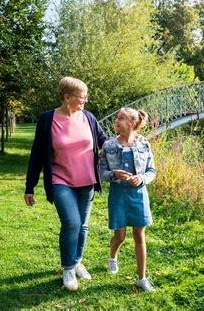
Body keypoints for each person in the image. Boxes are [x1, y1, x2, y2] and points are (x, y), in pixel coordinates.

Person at [24, 77, 108, 291]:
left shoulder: (88, 117)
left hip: (87, 180)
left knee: (83, 225)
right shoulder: (47, 120)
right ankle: (68, 268)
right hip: (60, 179)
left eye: (86, 96)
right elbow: (37, 155)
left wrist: (129, 141)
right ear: (67, 96)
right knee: (71, 222)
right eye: (82, 97)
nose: (85, 100)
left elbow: (104, 141)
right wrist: (29, 186)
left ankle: (77, 261)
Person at [99, 107, 157, 292]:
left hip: (138, 196)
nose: (116, 121)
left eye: (121, 118)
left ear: (132, 124)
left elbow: (151, 171)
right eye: (117, 118)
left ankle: (142, 278)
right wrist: (114, 174)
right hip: (117, 196)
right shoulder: (108, 146)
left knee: (139, 235)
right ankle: (112, 257)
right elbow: (101, 172)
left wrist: (141, 179)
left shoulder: (144, 145)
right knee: (120, 236)